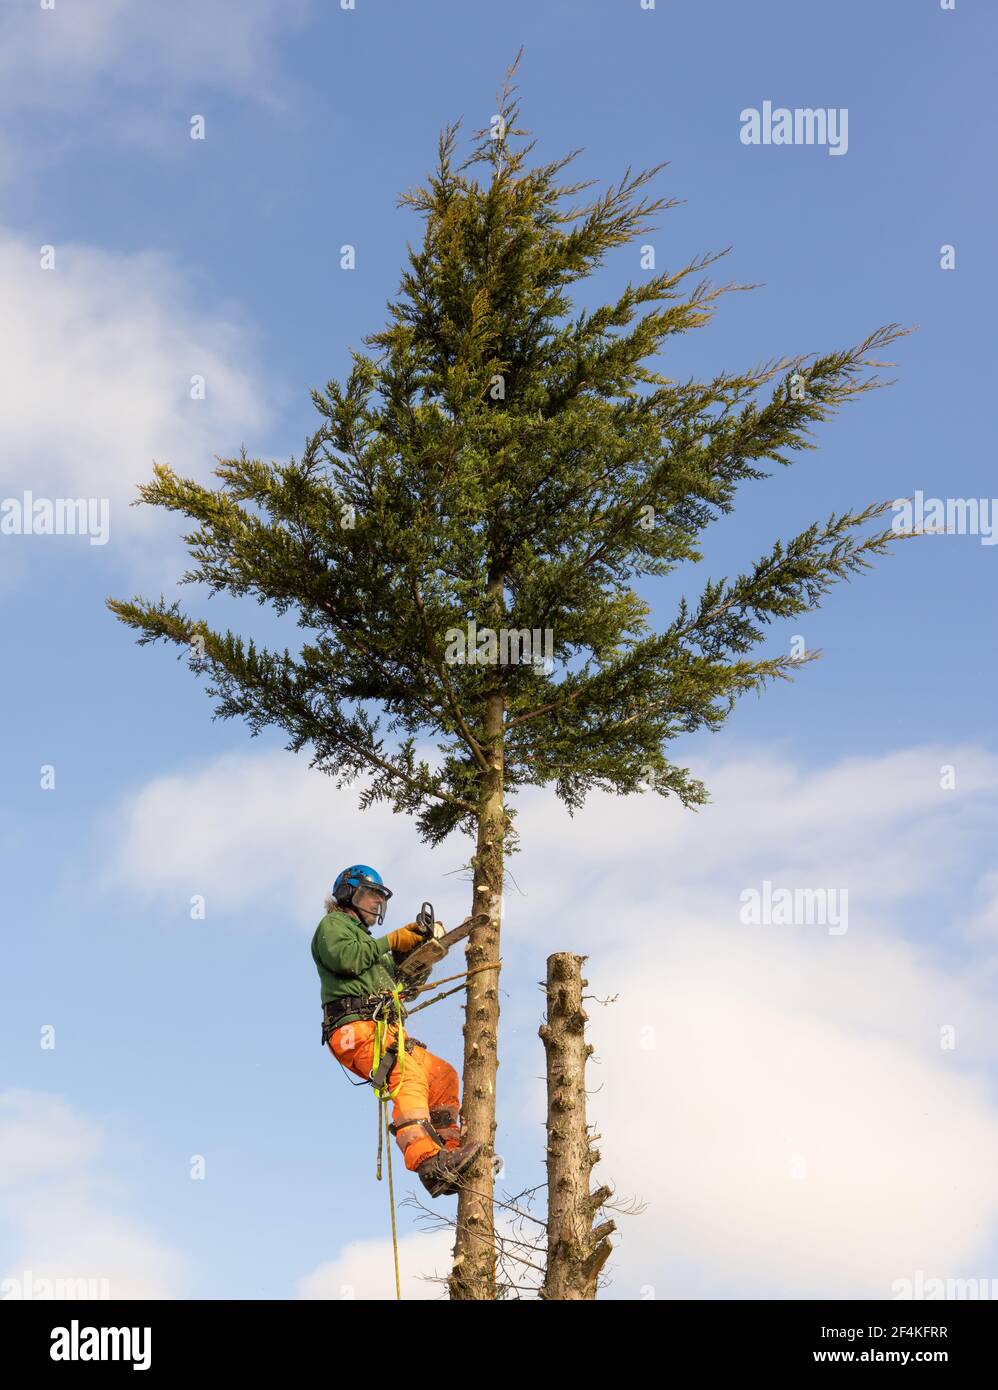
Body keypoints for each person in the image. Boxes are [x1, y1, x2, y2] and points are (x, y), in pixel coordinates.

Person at [312, 864, 481, 1197]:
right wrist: (393, 940)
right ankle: (428, 1162)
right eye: (369, 896)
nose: (375, 904)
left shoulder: (371, 950)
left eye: (379, 899)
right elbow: (347, 959)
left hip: (382, 1030)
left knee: (440, 1074)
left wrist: (417, 959)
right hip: (353, 1029)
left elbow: (400, 984)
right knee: (405, 1072)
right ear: (348, 895)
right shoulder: (333, 926)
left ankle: (449, 1148)